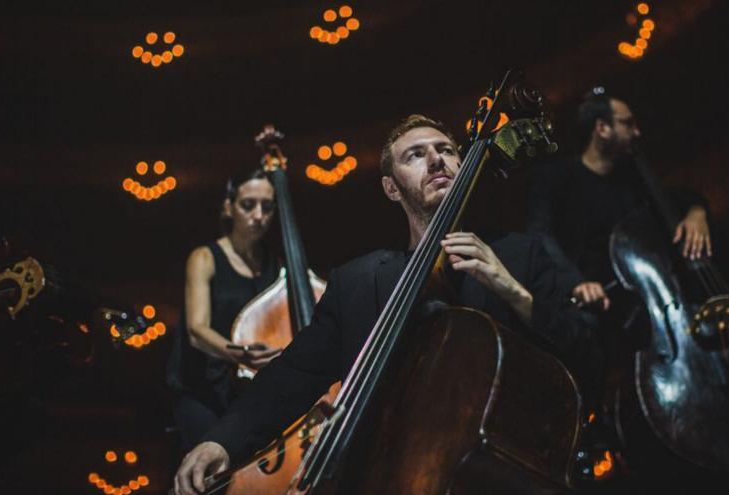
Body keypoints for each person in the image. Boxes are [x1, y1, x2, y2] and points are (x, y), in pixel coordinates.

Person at [172, 114, 587, 494]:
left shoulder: (519, 255)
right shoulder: (357, 281)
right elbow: (293, 375)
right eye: (416, 155)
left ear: (465, 167)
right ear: (391, 187)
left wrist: (512, 290)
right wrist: (221, 440)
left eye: (446, 150)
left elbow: (583, 352)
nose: (436, 160)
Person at [528, 88, 712, 310]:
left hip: (640, 301)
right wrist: (576, 282)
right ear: (602, 128)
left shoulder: (631, 179)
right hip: (592, 302)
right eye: (628, 124)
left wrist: (696, 212)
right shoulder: (557, 176)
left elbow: (680, 197)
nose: (637, 132)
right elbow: (540, 235)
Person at [166, 168, 282, 452]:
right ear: (229, 208)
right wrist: (241, 354)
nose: (258, 215)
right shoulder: (205, 257)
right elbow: (197, 330)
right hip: (202, 392)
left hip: (247, 393)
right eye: (248, 205)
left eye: (267, 207)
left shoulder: (277, 267)